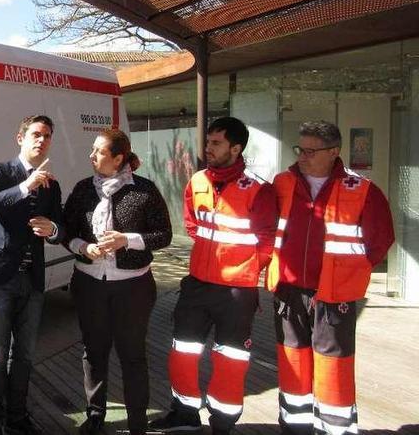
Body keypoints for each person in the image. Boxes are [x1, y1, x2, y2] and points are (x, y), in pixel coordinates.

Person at [150, 117, 277, 435]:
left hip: (236, 291)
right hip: (197, 285)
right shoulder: (198, 181)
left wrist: (244, 270)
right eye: (208, 142)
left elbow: (267, 242)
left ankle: (223, 422)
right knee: (183, 352)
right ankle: (184, 414)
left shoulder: (259, 190)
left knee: (231, 360)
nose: (208, 148)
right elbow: (192, 225)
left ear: (236, 148)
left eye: (216, 143)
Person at [267, 121, 394, 435]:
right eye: (300, 149)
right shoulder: (282, 183)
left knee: (333, 365)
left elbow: (381, 239)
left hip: (335, 295)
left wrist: (351, 273)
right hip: (290, 290)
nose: (303, 156)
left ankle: (335, 428)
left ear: (334, 152)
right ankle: (294, 427)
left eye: (311, 151)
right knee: (292, 362)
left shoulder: (362, 189)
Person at [62, 128, 172, 435]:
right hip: (89, 284)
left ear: (118, 158)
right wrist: (83, 248)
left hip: (133, 287)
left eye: (99, 151)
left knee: (132, 354)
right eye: (93, 150)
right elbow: (66, 229)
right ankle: (95, 415)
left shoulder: (144, 190)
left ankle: (137, 423)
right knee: (94, 351)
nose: (91, 156)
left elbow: (164, 235)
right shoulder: (84, 189)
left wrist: (128, 240)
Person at [0, 115, 64, 435]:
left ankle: (18, 416)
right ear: (20, 138)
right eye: (36, 134)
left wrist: (52, 229)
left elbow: (59, 226)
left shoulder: (52, 184)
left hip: (32, 278)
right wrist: (25, 186)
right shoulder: (0, 170)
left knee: (23, 355)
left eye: (47, 136)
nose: (42, 140)